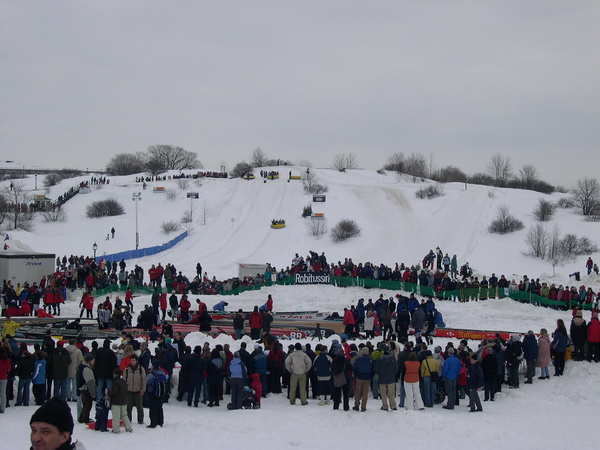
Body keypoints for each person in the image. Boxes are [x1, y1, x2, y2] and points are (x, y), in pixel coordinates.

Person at [106, 367, 133, 433]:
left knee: (116, 416)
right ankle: (128, 428)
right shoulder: (123, 381)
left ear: (114, 374)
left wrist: (108, 392)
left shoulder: (115, 382)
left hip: (116, 402)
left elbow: (115, 392)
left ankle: (116, 429)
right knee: (124, 415)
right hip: (123, 401)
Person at [374, 345, 398, 410]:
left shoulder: (380, 359)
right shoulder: (392, 358)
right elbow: (396, 367)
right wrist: (393, 374)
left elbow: (376, 369)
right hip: (391, 378)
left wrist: (379, 373)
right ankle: (393, 405)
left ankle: (385, 406)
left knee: (383, 393)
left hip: (382, 378)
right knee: (391, 393)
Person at [124, 354, 145, 424]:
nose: (132, 362)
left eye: (133, 360)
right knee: (128, 407)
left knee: (139, 407)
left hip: (138, 390)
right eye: (131, 360)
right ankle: (128, 419)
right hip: (129, 390)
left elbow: (143, 380)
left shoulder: (141, 369)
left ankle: (140, 420)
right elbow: (124, 380)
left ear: (136, 361)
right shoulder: (127, 369)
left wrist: (142, 389)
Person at [146, 359, 168, 428]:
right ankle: (160, 422)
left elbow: (147, 381)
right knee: (160, 408)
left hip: (153, 393)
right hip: (161, 394)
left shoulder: (151, 374)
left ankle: (153, 423)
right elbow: (166, 378)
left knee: (153, 408)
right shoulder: (162, 373)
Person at [352, 347, 373, 412]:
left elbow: (354, 368)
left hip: (359, 377)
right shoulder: (371, 360)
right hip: (367, 377)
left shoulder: (358, 360)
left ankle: (356, 405)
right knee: (365, 392)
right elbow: (373, 369)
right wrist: (370, 375)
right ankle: (363, 406)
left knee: (358, 391)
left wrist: (356, 374)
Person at [77, 353, 96, 424]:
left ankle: (81, 417)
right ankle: (85, 419)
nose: (94, 362)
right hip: (86, 389)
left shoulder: (82, 367)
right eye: (93, 361)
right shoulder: (87, 370)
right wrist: (93, 393)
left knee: (85, 404)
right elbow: (90, 382)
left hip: (82, 389)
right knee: (88, 405)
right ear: (89, 361)